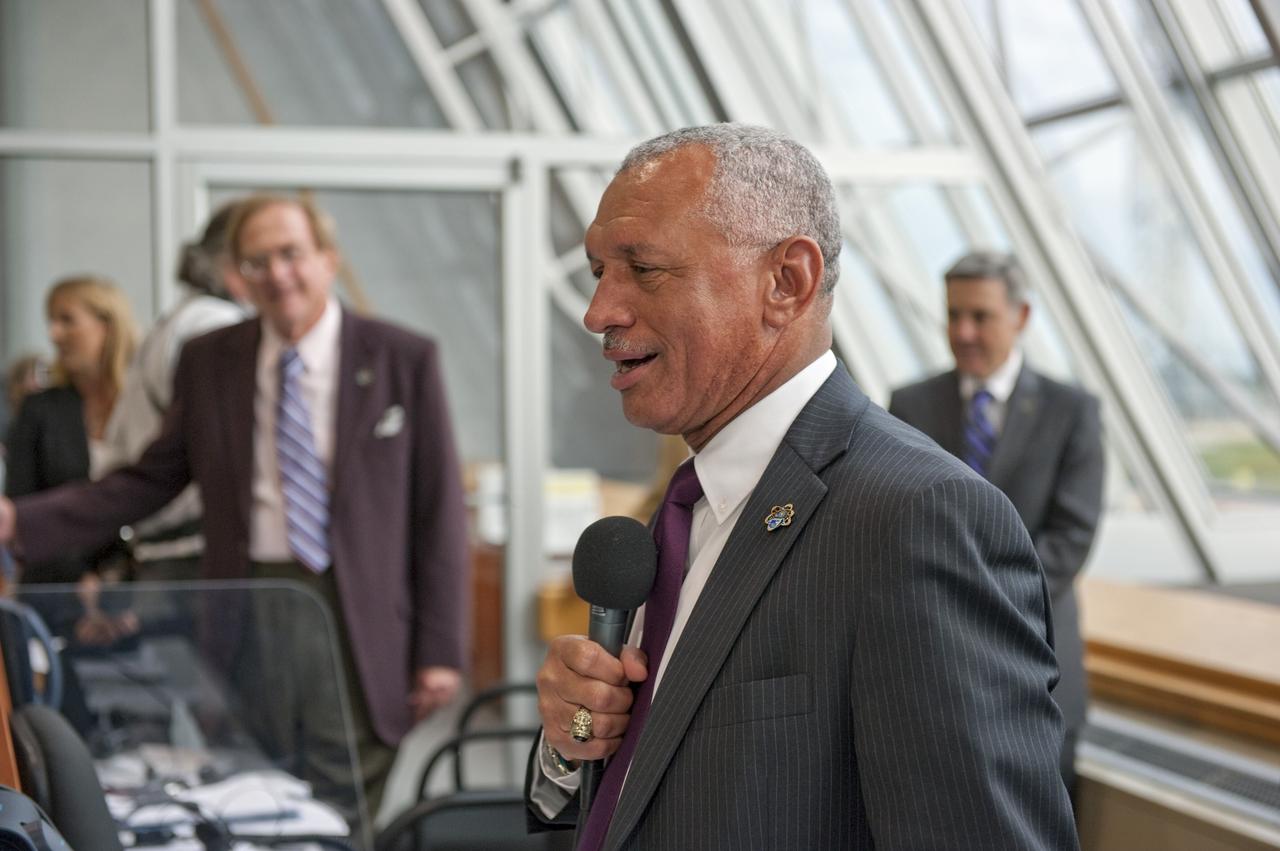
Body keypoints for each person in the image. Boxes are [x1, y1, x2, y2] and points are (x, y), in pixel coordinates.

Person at [525, 124, 1078, 850]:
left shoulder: (919, 518)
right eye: (600, 270)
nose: (601, 311)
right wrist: (572, 742)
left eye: (645, 269)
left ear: (787, 282)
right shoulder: (691, 505)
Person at [0, 195, 471, 823]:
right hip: (247, 602)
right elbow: (147, 481)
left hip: (357, 611)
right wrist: (17, 520)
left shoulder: (400, 358)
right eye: (257, 262)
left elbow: (438, 510)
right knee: (257, 792)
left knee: (345, 794)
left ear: (327, 260)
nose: (277, 275)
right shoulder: (212, 359)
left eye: (291, 255)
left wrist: (442, 649)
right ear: (235, 277)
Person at [888, 250, 1104, 803]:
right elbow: (896, 525)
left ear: (1021, 317)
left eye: (980, 316)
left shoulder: (1071, 411)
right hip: (935, 666)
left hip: (1038, 657)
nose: (963, 332)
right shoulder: (910, 405)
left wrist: (980, 597)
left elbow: (1071, 537)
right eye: (953, 315)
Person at [100, 201, 249, 584]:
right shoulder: (216, 326)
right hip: (191, 553)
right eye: (259, 258)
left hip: (164, 548)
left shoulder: (180, 319)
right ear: (228, 261)